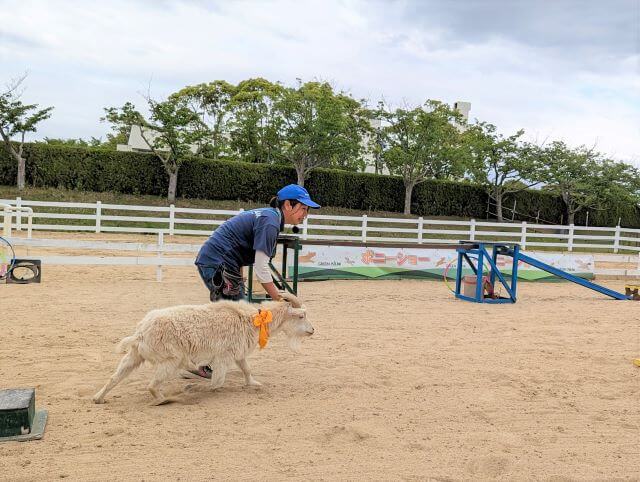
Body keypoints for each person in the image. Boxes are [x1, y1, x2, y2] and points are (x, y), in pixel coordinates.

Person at [195, 183, 320, 303]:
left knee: (235, 312)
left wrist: (238, 278)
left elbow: (236, 246)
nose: (305, 214)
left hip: (218, 260)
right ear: (288, 205)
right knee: (238, 314)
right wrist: (279, 299)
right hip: (218, 261)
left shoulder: (269, 216)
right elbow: (261, 267)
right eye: (303, 208)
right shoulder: (270, 223)